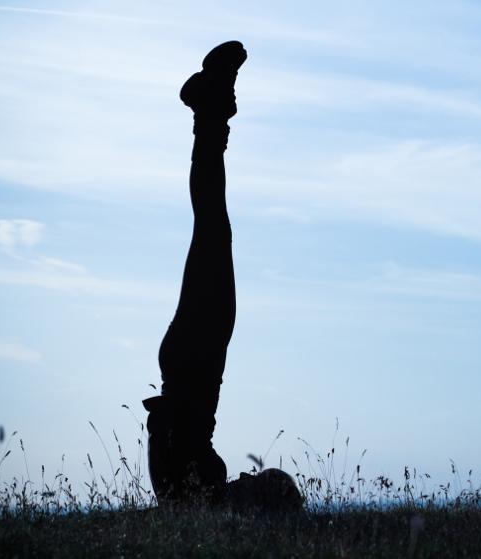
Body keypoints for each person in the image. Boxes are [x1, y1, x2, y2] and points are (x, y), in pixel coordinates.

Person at [142, 41, 301, 512]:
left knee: (213, 227)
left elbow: (172, 461)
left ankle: (211, 111)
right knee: (212, 227)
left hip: (193, 359)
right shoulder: (201, 494)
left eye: (261, 479)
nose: (251, 473)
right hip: (186, 361)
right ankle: (210, 112)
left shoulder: (203, 499)